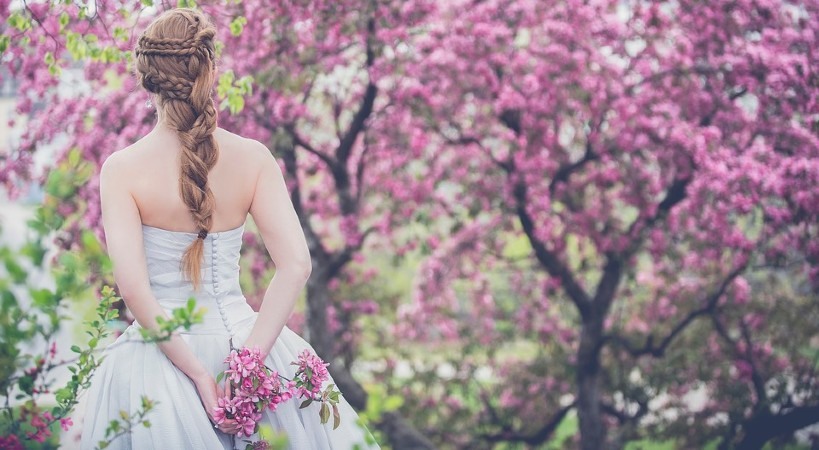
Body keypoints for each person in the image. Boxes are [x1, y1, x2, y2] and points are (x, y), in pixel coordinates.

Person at [78, 8, 378, 450]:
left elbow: (134, 290)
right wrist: (252, 361)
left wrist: (198, 375)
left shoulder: (121, 170)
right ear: (210, 71)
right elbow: (296, 264)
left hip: (157, 363)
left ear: (147, 78)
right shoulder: (254, 158)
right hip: (249, 341)